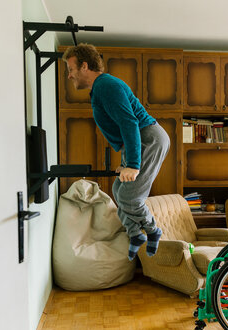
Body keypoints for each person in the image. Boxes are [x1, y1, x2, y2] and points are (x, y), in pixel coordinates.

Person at [62, 44, 170, 261]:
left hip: (148, 139)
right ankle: (134, 235)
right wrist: (126, 160)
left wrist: (133, 164)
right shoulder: (101, 88)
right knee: (118, 188)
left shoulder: (106, 86)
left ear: (84, 66)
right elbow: (124, 128)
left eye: (71, 69)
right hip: (139, 140)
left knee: (131, 196)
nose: (69, 75)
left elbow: (129, 122)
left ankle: (152, 230)